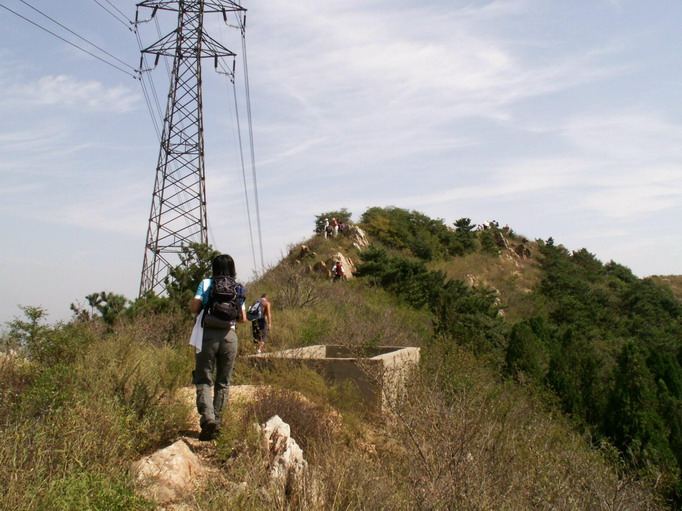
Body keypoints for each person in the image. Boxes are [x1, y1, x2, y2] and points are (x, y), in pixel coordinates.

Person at [190, 254, 246, 441]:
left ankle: (208, 419)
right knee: (223, 381)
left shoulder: (206, 283)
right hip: (229, 336)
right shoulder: (238, 287)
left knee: (204, 379)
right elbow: (243, 318)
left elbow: (194, 308)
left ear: (213, 267)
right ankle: (218, 421)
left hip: (206, 335)